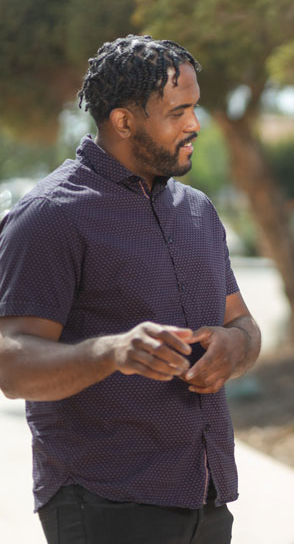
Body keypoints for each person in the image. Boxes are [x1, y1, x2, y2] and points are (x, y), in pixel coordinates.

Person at [0, 35, 261, 544]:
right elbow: (10, 364)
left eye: (195, 108)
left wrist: (236, 346)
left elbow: (243, 324)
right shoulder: (50, 216)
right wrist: (113, 351)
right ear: (123, 121)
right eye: (178, 111)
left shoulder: (199, 213)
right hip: (103, 501)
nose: (195, 124)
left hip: (206, 499)